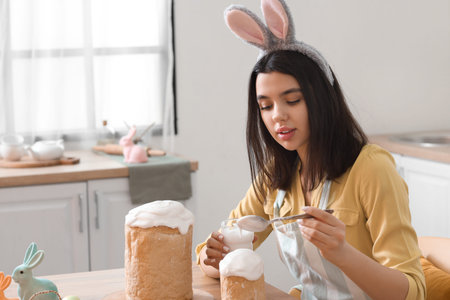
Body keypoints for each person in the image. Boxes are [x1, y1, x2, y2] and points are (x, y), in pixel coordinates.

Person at [196, 1, 425, 299]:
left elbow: (412, 291)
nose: (277, 115)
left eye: (292, 101)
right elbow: (214, 253)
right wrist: (210, 257)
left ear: (321, 99)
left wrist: (342, 252)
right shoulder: (275, 175)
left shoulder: (371, 168)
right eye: (265, 106)